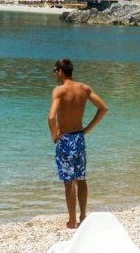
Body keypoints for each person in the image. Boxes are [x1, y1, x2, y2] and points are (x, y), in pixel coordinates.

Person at [48, 58, 109, 229]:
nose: (54, 74)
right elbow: (103, 108)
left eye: (55, 70)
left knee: (69, 181)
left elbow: (51, 117)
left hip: (65, 139)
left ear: (60, 71)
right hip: (79, 138)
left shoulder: (59, 91)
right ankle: (83, 216)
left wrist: (54, 136)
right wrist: (87, 129)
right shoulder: (84, 88)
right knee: (81, 178)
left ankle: (72, 220)